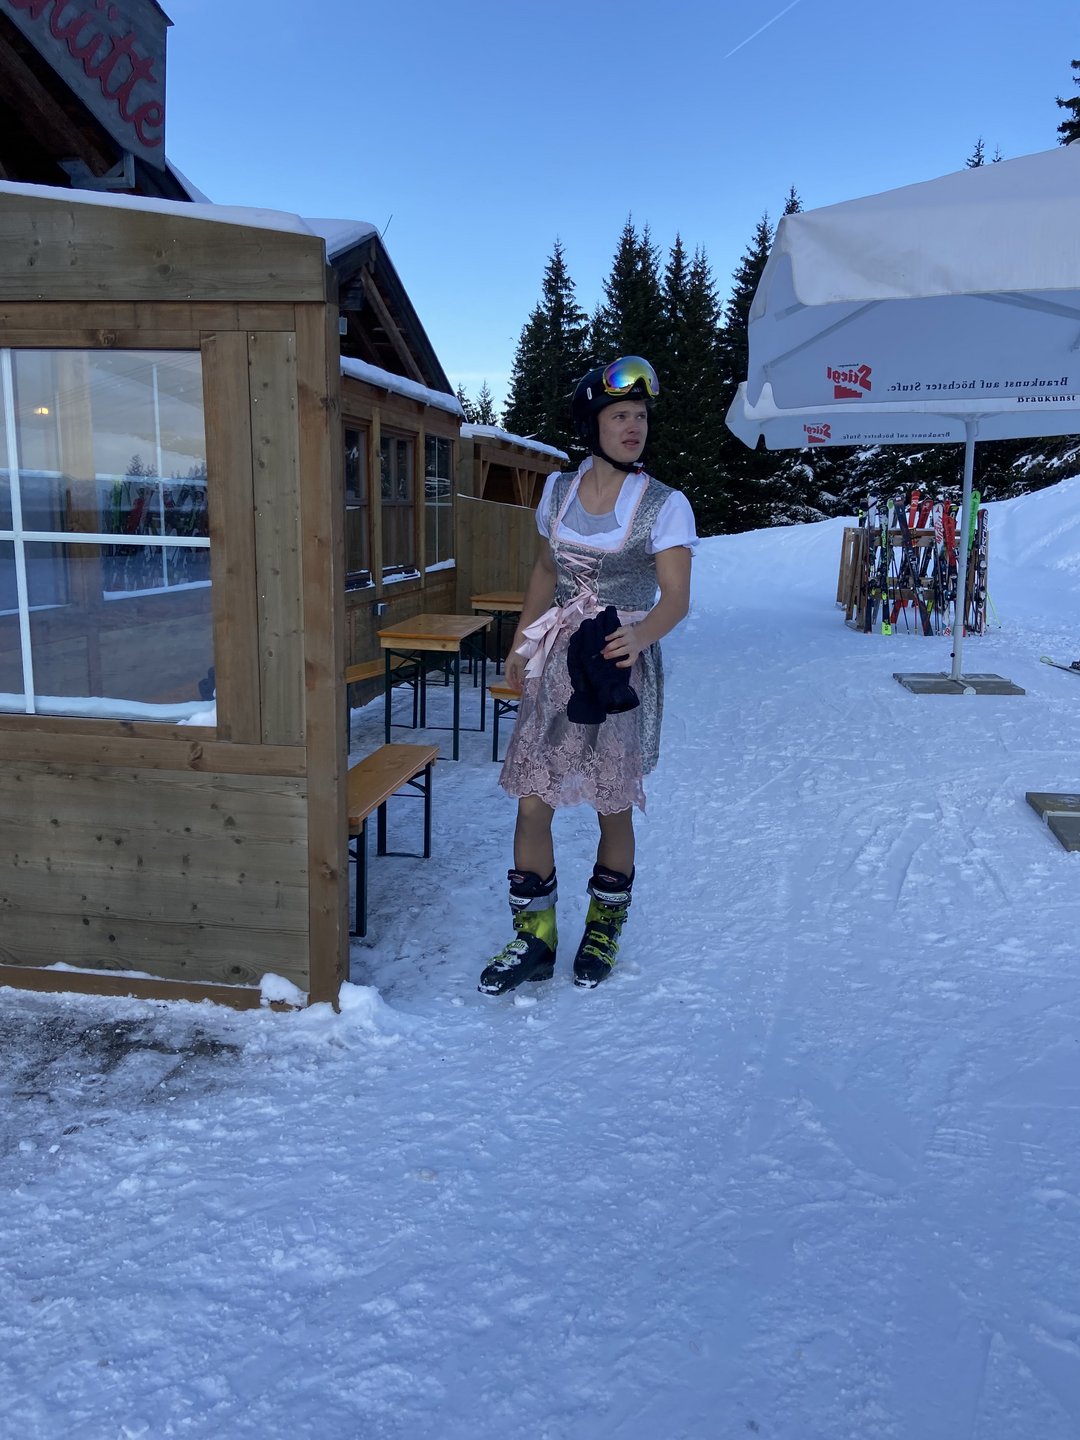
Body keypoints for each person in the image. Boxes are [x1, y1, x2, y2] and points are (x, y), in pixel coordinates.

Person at [478, 356, 698, 995]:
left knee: (612, 803)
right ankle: (535, 937)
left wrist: (641, 636)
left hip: (615, 667)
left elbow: (676, 598)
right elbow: (546, 571)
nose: (634, 427)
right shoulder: (557, 492)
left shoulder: (664, 505)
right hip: (557, 662)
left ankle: (604, 927)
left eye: (641, 416)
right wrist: (521, 642)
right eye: (620, 415)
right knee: (532, 800)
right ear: (592, 423)